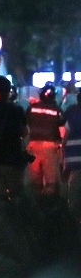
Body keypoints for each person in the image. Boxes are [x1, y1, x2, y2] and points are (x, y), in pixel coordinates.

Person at [25, 84, 64, 195]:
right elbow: (63, 131)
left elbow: (25, 127)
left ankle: (35, 204)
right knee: (51, 180)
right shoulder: (57, 110)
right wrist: (60, 145)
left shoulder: (31, 108)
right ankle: (49, 203)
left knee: (35, 180)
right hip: (50, 147)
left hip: (33, 146)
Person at [63, 87, 81, 219]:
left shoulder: (71, 113)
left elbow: (65, 136)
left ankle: (72, 214)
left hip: (74, 157)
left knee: (74, 186)